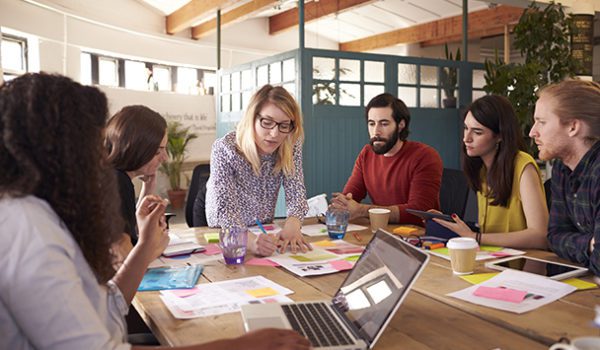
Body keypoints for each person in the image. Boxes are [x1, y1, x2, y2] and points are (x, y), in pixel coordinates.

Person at [0, 73, 310, 350]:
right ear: (57, 152)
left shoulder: (44, 213)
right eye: (94, 143)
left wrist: (145, 247)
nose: (103, 155)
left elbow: (108, 306)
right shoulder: (28, 234)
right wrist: (238, 346)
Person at [205, 85, 311, 255]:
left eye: (284, 125)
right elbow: (224, 211)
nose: (275, 133)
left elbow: (296, 189)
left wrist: (293, 223)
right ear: (251, 118)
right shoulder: (225, 148)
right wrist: (251, 242)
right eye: (267, 122)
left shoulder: (290, 143)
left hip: (262, 227)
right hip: (223, 230)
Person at [432, 95, 548, 249]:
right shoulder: (481, 168)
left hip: (518, 266)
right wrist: (451, 224)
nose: (466, 138)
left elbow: (540, 236)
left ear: (499, 136)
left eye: (477, 132)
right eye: (466, 128)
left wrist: (475, 237)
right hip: (491, 259)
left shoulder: (523, 166)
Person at [331, 93, 443, 226]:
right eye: (371, 124)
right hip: (381, 231)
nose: (376, 131)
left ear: (401, 125)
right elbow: (349, 196)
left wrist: (362, 210)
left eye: (384, 124)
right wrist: (342, 205)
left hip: (418, 236)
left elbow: (419, 212)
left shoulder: (425, 156)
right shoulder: (366, 154)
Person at [529, 79, 600, 275]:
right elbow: (554, 236)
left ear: (573, 127)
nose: (532, 132)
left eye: (541, 122)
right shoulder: (562, 167)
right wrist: (589, 244)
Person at [105, 105, 169, 246]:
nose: (165, 158)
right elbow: (126, 255)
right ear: (136, 149)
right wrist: (155, 240)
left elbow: (131, 231)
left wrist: (148, 187)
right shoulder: (118, 183)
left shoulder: (114, 176)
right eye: (158, 151)